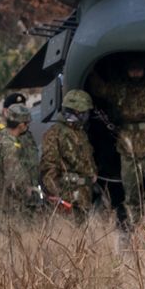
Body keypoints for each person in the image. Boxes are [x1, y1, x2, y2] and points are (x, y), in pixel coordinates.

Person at [89, 56, 145, 222]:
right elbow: (101, 90)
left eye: (138, 69)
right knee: (130, 190)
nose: (135, 73)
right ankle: (135, 223)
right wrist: (91, 70)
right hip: (127, 147)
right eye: (132, 70)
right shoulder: (121, 89)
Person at [40, 90, 99, 218]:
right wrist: (56, 195)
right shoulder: (55, 133)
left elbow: (86, 159)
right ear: (77, 112)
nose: (87, 115)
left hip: (83, 197)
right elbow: (49, 167)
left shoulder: (80, 133)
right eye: (85, 112)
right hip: (67, 198)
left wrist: (92, 174)